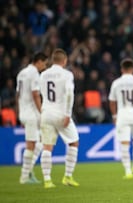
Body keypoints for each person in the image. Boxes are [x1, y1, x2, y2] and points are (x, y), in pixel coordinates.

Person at [39, 48, 80, 189]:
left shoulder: (43, 75)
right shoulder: (67, 74)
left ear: (52, 60)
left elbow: (40, 94)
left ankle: (47, 181)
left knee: (47, 147)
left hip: (46, 112)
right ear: (65, 61)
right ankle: (67, 176)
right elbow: (69, 94)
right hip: (61, 113)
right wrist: (68, 113)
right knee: (74, 142)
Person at [17, 52, 48, 184]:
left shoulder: (22, 73)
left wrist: (19, 113)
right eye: (44, 64)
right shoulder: (34, 73)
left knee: (39, 142)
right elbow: (36, 94)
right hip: (31, 113)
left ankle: (28, 172)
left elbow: (18, 94)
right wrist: (41, 112)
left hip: (23, 111)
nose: (44, 67)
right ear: (39, 61)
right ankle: (25, 176)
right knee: (31, 144)